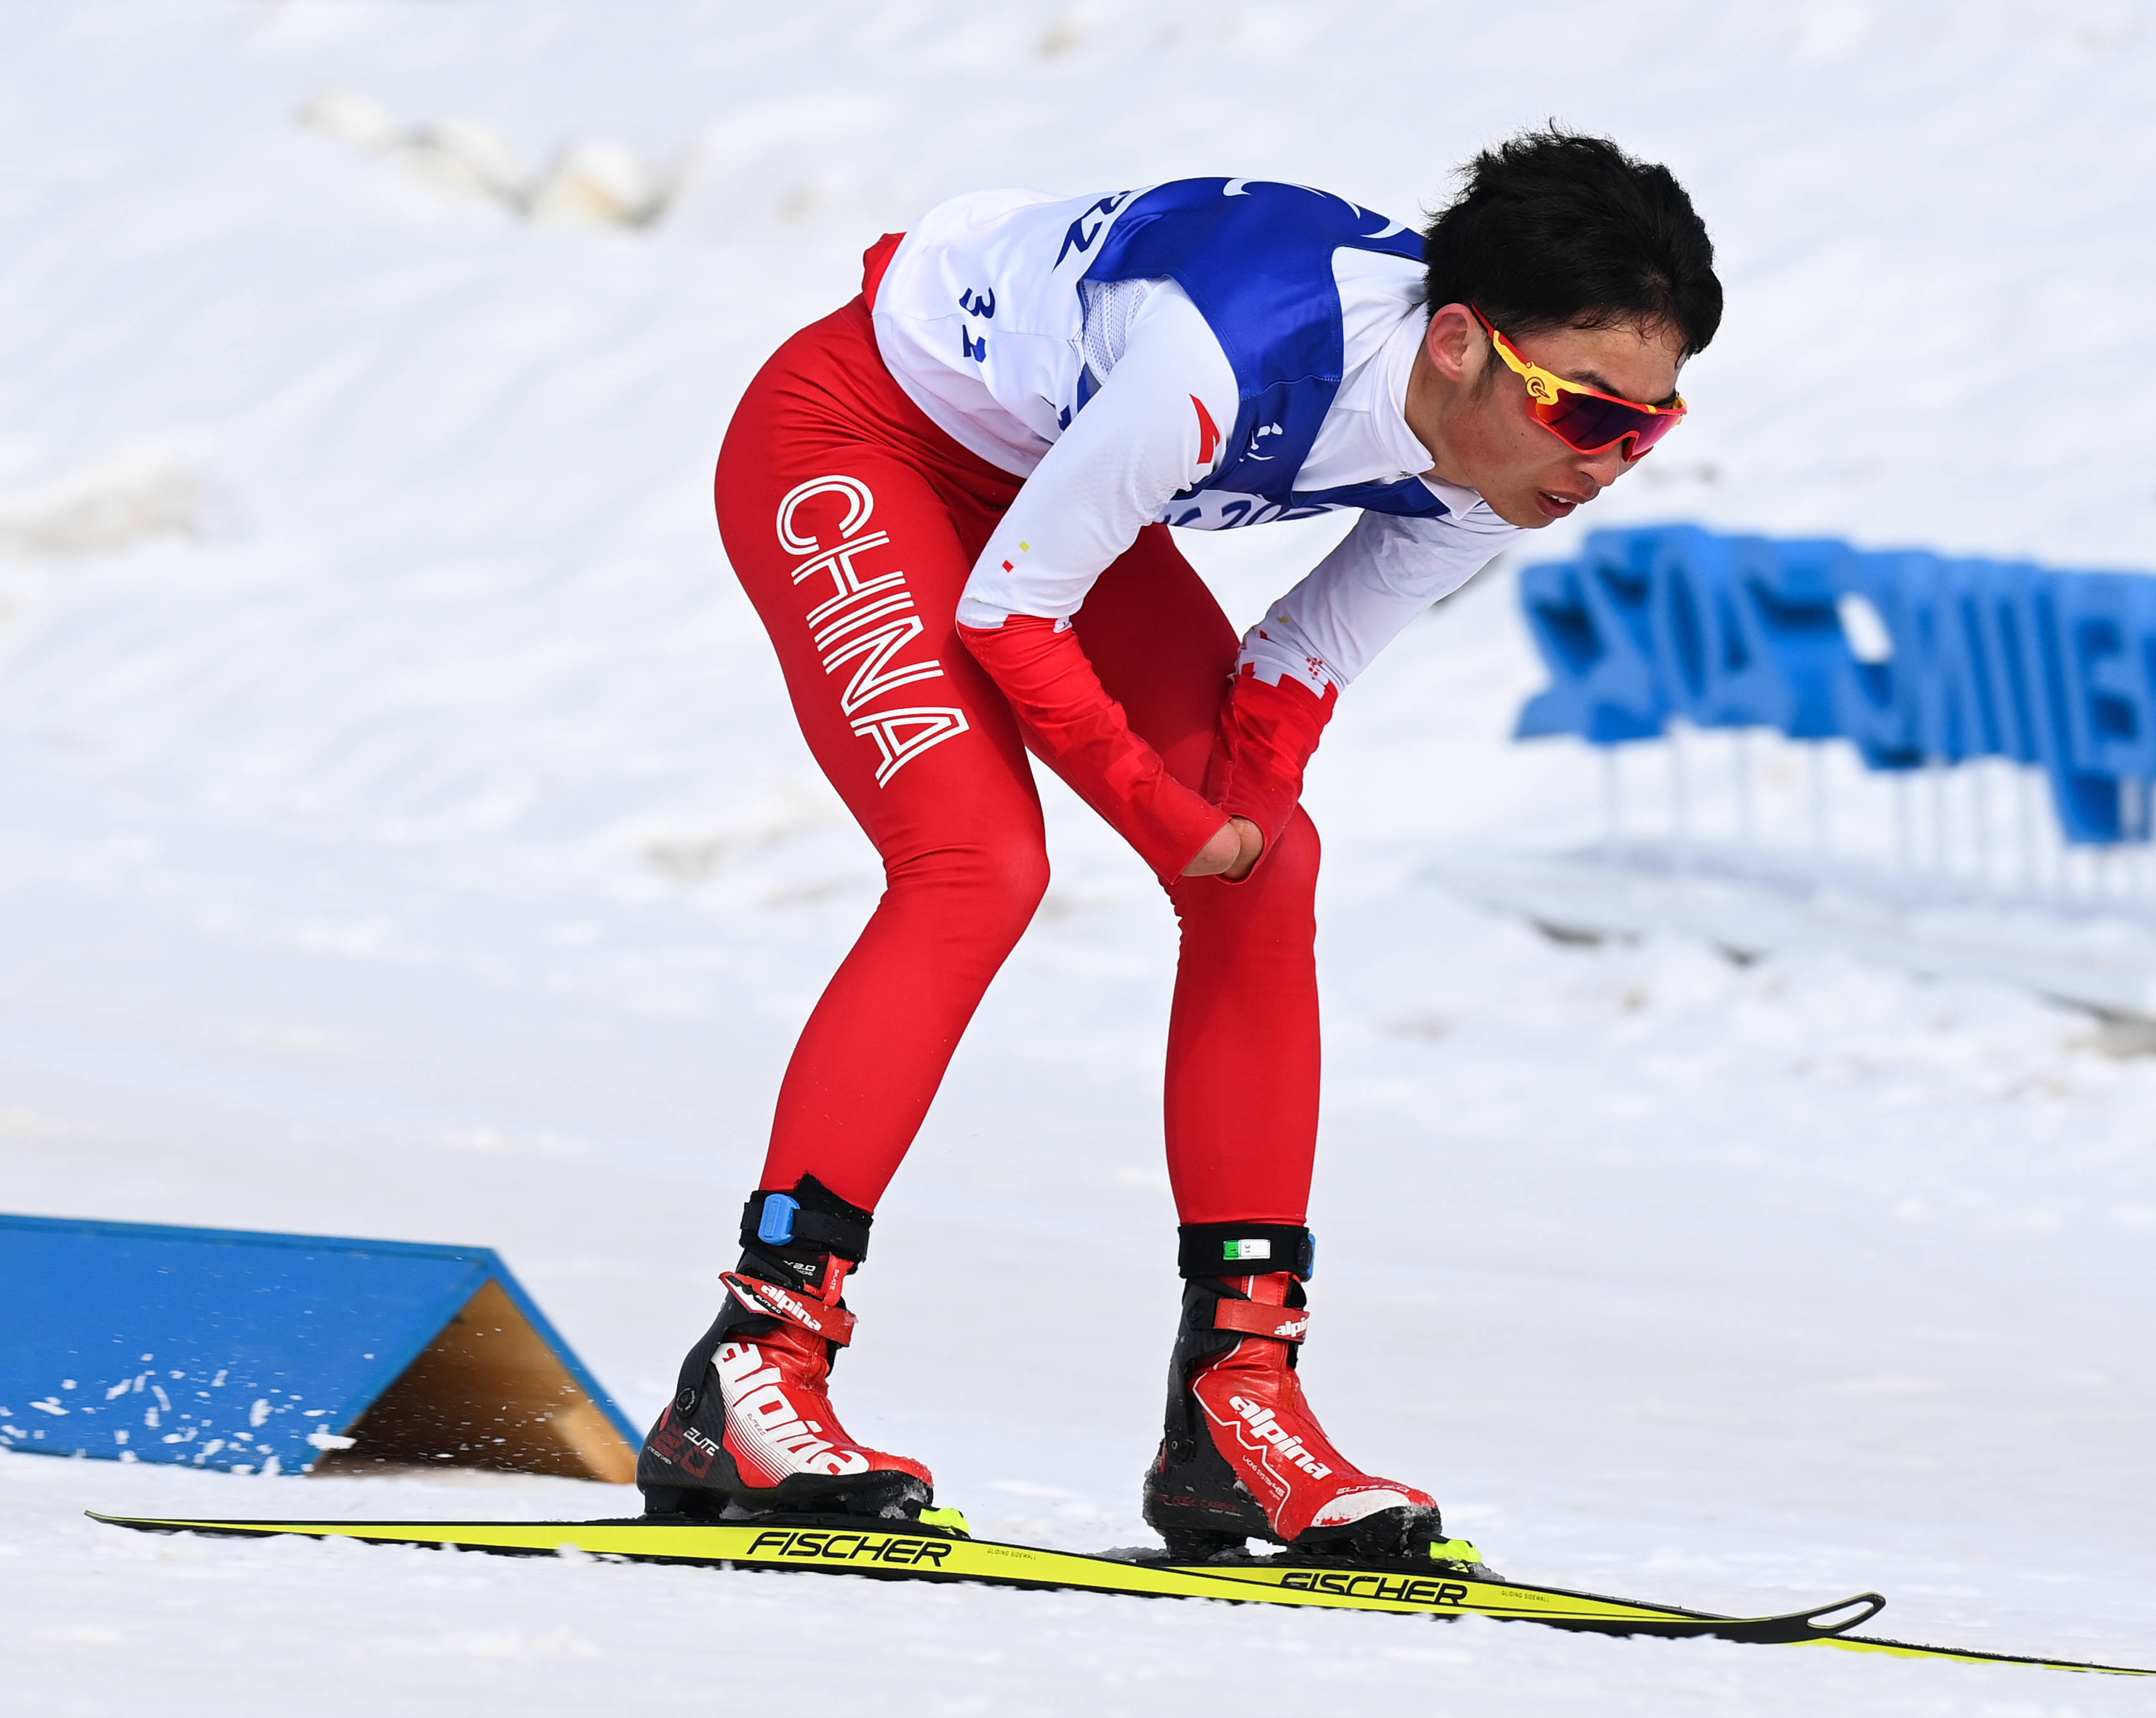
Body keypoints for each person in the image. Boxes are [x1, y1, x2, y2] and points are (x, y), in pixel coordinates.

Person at [635, 129, 1721, 1561]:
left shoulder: (1500, 456)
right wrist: (1165, 817)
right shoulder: (1227, 357)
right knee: (975, 863)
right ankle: (753, 1358)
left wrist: (1240, 817)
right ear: (1459, 343)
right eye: (1591, 419)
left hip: (1052, 489)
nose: (1612, 463)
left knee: (1271, 877)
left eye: (1650, 429)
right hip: (863, 439)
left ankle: (1234, 1403)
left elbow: (1301, 661)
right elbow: (1013, 615)